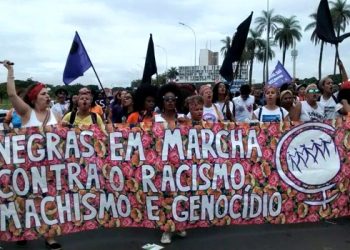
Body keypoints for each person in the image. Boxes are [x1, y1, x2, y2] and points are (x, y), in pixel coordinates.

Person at [3, 60, 61, 250]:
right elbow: (11, 93)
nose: (48, 96)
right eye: (44, 93)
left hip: (50, 168)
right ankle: (21, 232)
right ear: (35, 98)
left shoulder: (55, 115)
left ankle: (49, 237)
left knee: (50, 201)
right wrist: (11, 71)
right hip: (28, 168)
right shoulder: (27, 113)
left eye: (48, 93)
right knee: (24, 200)